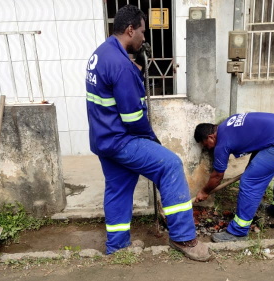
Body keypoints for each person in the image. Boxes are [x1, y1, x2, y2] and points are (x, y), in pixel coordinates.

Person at [85, 5, 212, 261]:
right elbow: (133, 118)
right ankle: (184, 238)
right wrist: (151, 138)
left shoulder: (101, 53)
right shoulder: (121, 65)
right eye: (143, 31)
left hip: (103, 139)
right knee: (170, 165)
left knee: (118, 189)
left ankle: (117, 247)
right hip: (121, 139)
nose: (145, 38)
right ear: (130, 30)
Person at [193, 112, 274, 242]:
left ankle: (239, 231)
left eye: (206, 145)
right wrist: (252, 167)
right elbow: (258, 140)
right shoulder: (228, 124)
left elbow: (217, 175)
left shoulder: (222, 143)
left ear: (211, 137)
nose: (207, 148)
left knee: (249, 181)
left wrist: (205, 191)